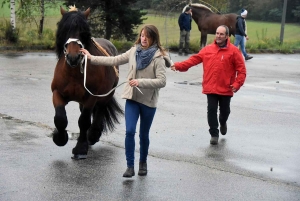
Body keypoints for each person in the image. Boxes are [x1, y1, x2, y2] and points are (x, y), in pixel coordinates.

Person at [80, 24, 172, 178]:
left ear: (153, 38)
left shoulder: (158, 57)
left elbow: (162, 81)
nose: (143, 39)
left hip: (148, 102)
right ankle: (130, 166)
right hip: (132, 98)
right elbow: (114, 60)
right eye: (142, 35)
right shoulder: (134, 51)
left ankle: (143, 163)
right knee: (129, 132)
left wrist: (140, 82)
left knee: (143, 134)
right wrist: (91, 58)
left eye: (147, 36)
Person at [171, 25, 246, 145]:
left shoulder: (234, 51)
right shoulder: (207, 49)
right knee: (211, 110)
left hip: (226, 88)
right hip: (210, 87)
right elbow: (192, 60)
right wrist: (178, 66)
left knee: (224, 111)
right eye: (217, 33)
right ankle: (214, 134)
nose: (218, 36)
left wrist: (237, 84)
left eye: (221, 34)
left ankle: (223, 122)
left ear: (227, 36)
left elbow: (241, 70)